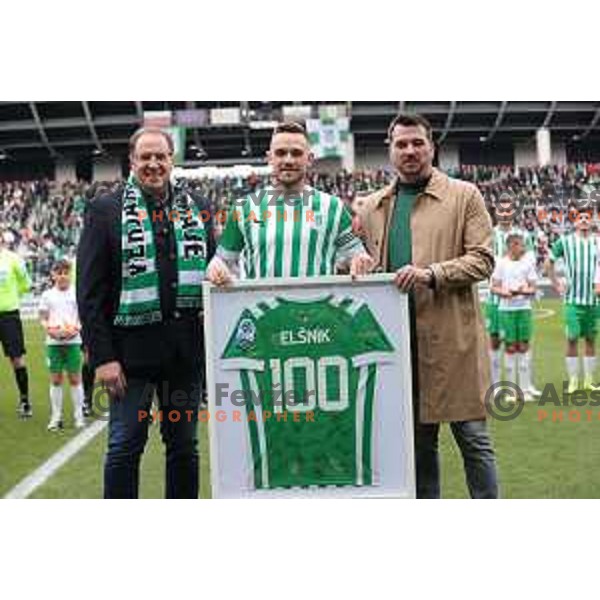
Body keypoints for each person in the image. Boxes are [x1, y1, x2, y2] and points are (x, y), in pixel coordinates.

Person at [353, 112, 498, 499]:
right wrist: (350, 260)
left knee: (474, 440)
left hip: (454, 344)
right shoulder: (371, 207)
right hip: (399, 348)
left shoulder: (464, 195)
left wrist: (431, 273)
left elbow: (483, 259)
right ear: (390, 151)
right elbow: (353, 261)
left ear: (432, 146)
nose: (410, 151)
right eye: (401, 144)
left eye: (418, 143)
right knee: (418, 448)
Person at [77, 127, 214, 499]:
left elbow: (215, 276)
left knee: (184, 449)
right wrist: (103, 358)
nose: (154, 164)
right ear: (132, 162)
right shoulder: (104, 209)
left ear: (172, 160)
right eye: (145, 157)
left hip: (185, 357)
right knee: (124, 448)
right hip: (128, 359)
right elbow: (89, 293)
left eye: (161, 156)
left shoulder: (198, 207)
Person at [207, 121, 373, 284]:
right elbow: (223, 260)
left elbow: (356, 254)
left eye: (296, 153)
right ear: (269, 158)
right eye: (280, 153)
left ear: (309, 159)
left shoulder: (333, 207)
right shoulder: (244, 208)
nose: (288, 160)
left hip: (317, 309)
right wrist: (216, 268)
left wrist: (360, 260)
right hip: (263, 310)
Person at [488, 194, 540, 395]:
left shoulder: (524, 236)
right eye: (501, 210)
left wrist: (523, 288)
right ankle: (496, 386)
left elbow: (530, 263)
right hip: (495, 299)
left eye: (509, 210)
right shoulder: (488, 235)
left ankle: (525, 385)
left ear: (514, 212)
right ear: (496, 212)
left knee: (522, 341)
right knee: (495, 341)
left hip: (520, 299)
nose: (505, 214)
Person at [547, 209, 598, 393]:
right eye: (580, 218)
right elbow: (550, 260)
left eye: (587, 217)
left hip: (593, 301)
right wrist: (555, 283)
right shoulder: (566, 241)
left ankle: (589, 381)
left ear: (591, 221)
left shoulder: (598, 242)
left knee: (591, 339)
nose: (584, 220)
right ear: (575, 222)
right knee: (572, 338)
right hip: (573, 300)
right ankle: (574, 381)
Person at [39, 259, 85, 430]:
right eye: (59, 273)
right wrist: (50, 330)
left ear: (70, 274)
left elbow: (82, 316)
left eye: (66, 273)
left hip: (73, 341)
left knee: (74, 378)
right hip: (53, 343)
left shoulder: (76, 293)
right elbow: (43, 317)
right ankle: (56, 416)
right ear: (53, 275)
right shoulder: (47, 295)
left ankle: (78, 416)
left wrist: (76, 329)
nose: (62, 276)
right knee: (56, 379)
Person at [0, 232, 33, 418]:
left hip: (9, 315)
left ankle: (25, 400)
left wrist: (12, 297)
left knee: (17, 359)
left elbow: (26, 283)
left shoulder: (13, 259)